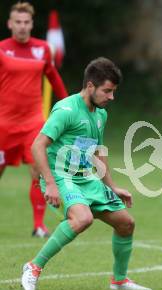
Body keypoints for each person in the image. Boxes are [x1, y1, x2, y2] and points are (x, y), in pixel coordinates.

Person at [20, 57, 150, 290]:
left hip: (85, 177)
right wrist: (50, 184)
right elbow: (37, 145)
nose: (111, 97)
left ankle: (119, 281)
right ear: (90, 86)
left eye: (113, 92)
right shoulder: (66, 110)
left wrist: (112, 187)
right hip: (62, 176)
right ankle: (33, 266)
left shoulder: (100, 114)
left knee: (126, 223)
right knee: (83, 219)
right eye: (107, 91)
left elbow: (98, 152)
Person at [0, 2, 68, 238]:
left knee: (38, 172)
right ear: (10, 24)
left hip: (33, 123)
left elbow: (54, 78)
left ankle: (39, 225)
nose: (22, 26)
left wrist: (69, 105)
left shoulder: (42, 49)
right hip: (3, 125)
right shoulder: (1, 49)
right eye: (17, 22)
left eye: (26, 22)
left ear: (31, 24)